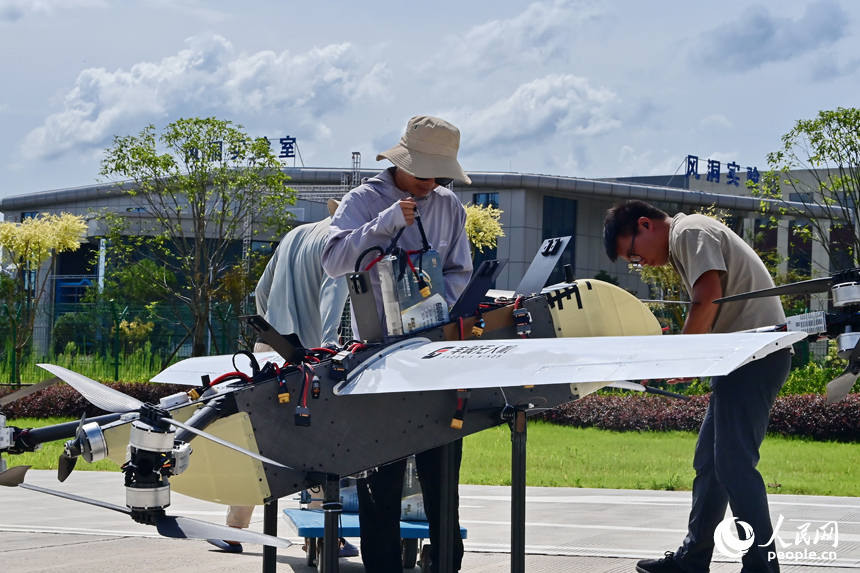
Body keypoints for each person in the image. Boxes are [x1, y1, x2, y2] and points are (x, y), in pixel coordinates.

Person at [603, 200, 789, 573]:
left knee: (734, 465)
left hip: (755, 354)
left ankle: (762, 566)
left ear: (645, 225)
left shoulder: (689, 231)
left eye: (635, 254)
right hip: (740, 357)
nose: (641, 265)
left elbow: (707, 297)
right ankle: (694, 558)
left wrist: (681, 357)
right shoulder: (687, 238)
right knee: (709, 463)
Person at [322, 115, 473, 573]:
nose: (432, 182)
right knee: (381, 482)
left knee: (443, 476)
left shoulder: (449, 206)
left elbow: (460, 273)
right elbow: (332, 260)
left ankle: (447, 563)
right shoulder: (365, 200)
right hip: (378, 360)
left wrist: (429, 301)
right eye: (424, 171)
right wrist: (384, 225)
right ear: (402, 161)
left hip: (435, 356)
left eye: (439, 173)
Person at [208, 199, 352, 555]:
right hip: (308, 358)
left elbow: (261, 290)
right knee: (319, 447)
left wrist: (270, 334)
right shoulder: (342, 239)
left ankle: (234, 530)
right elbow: (333, 296)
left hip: (269, 352)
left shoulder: (294, 236)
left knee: (257, 443)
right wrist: (330, 348)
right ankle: (323, 535)